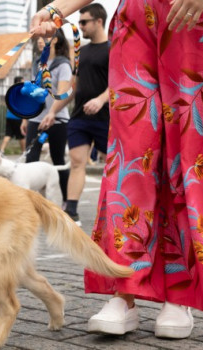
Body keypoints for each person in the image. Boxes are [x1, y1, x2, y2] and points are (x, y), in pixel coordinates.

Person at [33, 0, 203, 339]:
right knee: (130, 158)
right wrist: (57, 8)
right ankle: (124, 288)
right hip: (136, 22)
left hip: (196, 17)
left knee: (194, 157)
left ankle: (182, 292)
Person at [63, 3, 110, 226]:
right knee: (76, 162)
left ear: (98, 21)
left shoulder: (113, 49)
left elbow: (120, 83)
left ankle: (115, 209)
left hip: (106, 117)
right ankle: (71, 210)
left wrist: (101, 100)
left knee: (111, 164)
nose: (80, 26)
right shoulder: (82, 51)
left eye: (84, 22)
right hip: (80, 117)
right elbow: (74, 86)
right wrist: (52, 112)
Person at [20, 30, 73, 206]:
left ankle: (67, 201)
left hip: (57, 119)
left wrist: (52, 113)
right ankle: (30, 203)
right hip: (36, 118)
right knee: (30, 160)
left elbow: (63, 92)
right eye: (39, 39)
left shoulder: (63, 65)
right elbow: (30, 93)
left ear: (55, 40)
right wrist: (25, 118)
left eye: (45, 38)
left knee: (58, 159)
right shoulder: (37, 65)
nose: (40, 42)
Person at [0, 76, 26, 153]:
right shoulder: (22, 92)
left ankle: (1, 150)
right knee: (21, 136)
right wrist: (24, 118)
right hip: (18, 117)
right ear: (18, 82)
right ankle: (24, 152)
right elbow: (24, 106)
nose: (23, 83)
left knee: (8, 134)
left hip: (9, 116)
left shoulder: (11, 91)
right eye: (22, 81)